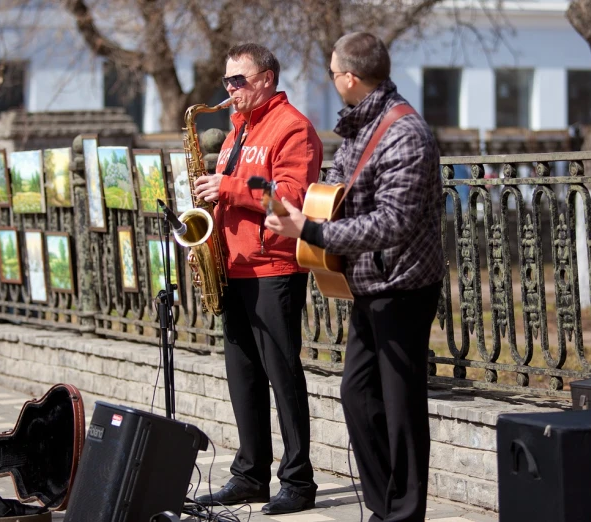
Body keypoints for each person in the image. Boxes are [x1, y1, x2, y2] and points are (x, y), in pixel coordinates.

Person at [264, 32, 444, 522]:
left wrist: (312, 230)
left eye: (331, 73)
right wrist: (294, 207)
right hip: (370, 282)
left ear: (348, 77)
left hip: (403, 284)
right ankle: (384, 505)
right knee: (358, 395)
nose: (332, 81)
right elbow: (338, 185)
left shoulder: (405, 133)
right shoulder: (363, 125)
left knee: (401, 406)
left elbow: (394, 223)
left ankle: (403, 513)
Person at [193, 43, 322, 515]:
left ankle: (298, 480)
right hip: (234, 266)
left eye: (238, 80)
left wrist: (225, 186)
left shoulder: (294, 129)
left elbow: (287, 198)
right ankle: (250, 475)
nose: (229, 89)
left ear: (266, 78)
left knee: (282, 376)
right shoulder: (235, 132)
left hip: (274, 268)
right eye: (226, 81)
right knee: (243, 377)